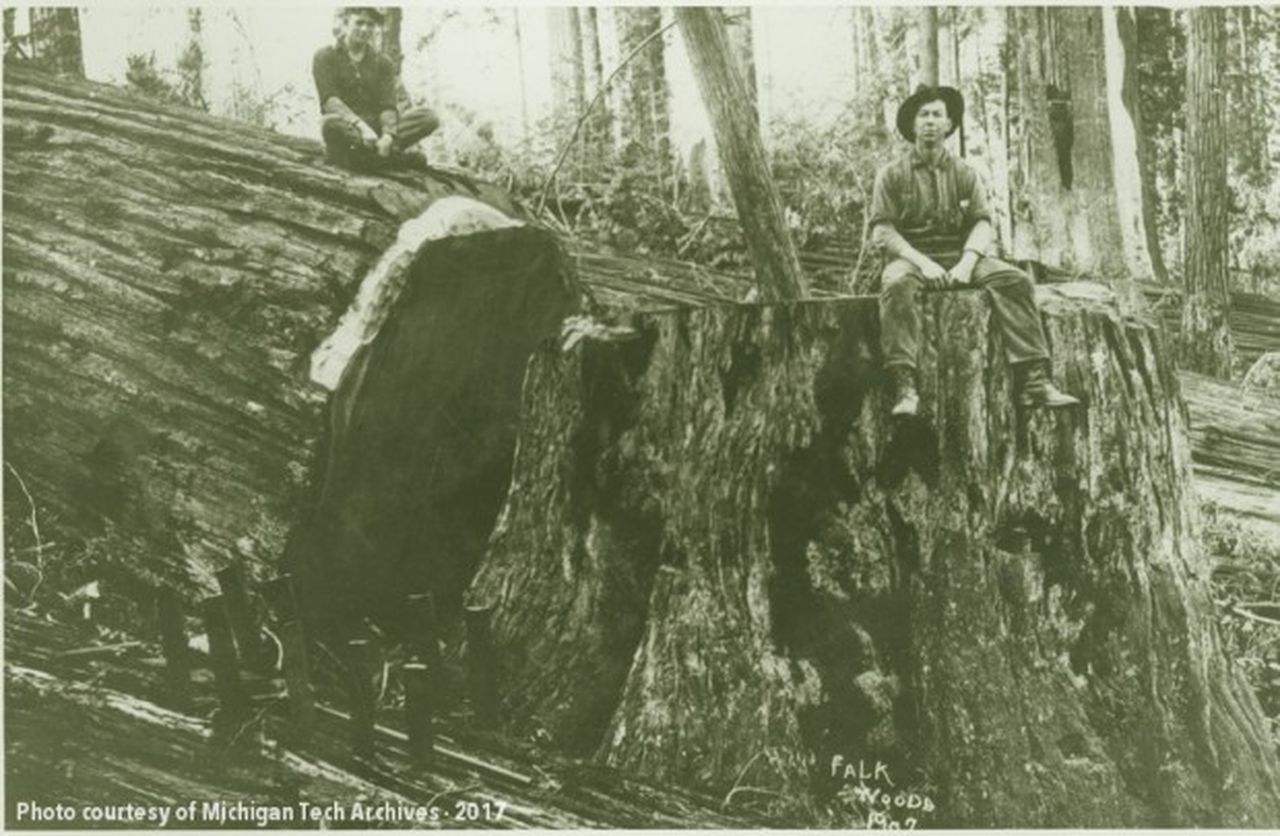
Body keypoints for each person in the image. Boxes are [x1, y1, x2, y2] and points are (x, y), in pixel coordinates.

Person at [870, 84, 1080, 417]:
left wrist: (968, 263)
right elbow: (883, 230)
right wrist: (923, 264)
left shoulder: (966, 174)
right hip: (911, 258)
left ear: (949, 125)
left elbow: (982, 222)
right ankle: (905, 386)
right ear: (912, 126)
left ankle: (1034, 381)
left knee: (1015, 281)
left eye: (937, 114)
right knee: (895, 287)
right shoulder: (892, 175)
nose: (929, 122)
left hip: (959, 254)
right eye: (922, 115)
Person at [313, 7, 439, 170]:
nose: (365, 29)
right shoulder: (325, 56)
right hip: (349, 128)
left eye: (370, 25)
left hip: (377, 128)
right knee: (329, 124)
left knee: (428, 117)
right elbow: (329, 100)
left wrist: (387, 135)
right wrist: (361, 127)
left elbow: (387, 104)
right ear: (345, 23)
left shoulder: (382, 62)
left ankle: (368, 157)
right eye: (359, 23)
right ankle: (390, 157)